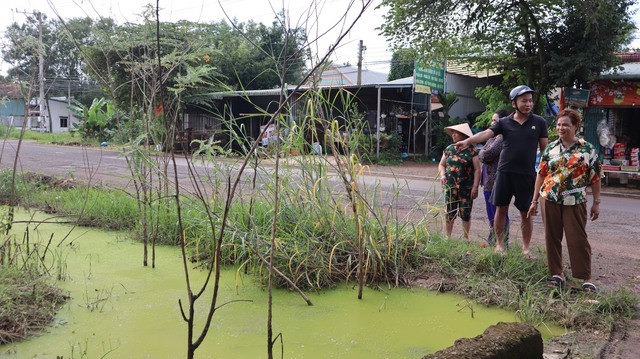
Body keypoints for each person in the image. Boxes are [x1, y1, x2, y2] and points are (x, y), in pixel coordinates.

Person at [454, 85, 548, 255]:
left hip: (526, 174)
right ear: (514, 103)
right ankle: (499, 245)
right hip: (504, 173)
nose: (528, 104)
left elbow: (545, 152)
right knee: (500, 209)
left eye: (530, 101)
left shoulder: (539, 122)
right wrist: (468, 142)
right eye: (524, 101)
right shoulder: (504, 122)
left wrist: (544, 174)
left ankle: (526, 249)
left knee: (525, 212)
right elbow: (485, 133)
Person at [527, 109, 602, 293]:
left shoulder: (587, 149)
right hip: (549, 198)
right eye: (559, 124)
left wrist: (596, 202)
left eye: (565, 124)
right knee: (551, 236)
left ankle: (585, 278)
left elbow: (596, 177)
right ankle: (557, 274)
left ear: (575, 126)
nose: (561, 128)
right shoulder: (550, 149)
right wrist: (534, 200)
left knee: (578, 238)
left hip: (575, 200)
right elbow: (541, 175)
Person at [438, 123, 481, 240]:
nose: (453, 135)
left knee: (465, 213)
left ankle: (466, 238)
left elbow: (478, 170)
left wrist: (475, 187)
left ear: (463, 135)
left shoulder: (472, 151)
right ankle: (448, 237)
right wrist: (442, 176)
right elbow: (442, 165)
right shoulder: (449, 149)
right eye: (453, 132)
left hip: (466, 188)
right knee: (449, 212)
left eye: (456, 132)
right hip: (450, 187)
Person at [478, 109, 510, 246]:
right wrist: (482, 152)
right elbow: (483, 153)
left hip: (496, 180)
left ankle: (502, 242)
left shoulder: (501, 138)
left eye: (495, 120)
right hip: (488, 180)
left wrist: (481, 152)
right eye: (492, 120)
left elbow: (485, 154)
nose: (492, 123)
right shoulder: (493, 138)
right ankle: (494, 240)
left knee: (498, 212)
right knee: (491, 212)